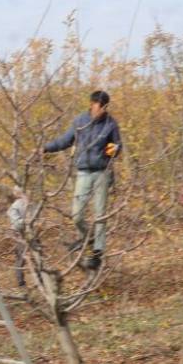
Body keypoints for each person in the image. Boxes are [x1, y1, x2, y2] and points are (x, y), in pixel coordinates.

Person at [42, 90, 123, 271]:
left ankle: (97, 253)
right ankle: (89, 238)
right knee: (77, 215)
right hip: (84, 172)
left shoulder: (111, 124)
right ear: (91, 104)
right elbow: (65, 140)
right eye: (98, 105)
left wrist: (114, 149)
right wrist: (46, 148)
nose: (101, 109)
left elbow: (118, 146)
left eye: (104, 107)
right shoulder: (80, 121)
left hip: (102, 172)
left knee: (100, 214)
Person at [7, 187, 31, 288]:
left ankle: (42, 279)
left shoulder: (30, 204)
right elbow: (17, 224)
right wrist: (26, 221)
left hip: (32, 234)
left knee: (38, 256)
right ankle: (21, 283)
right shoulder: (14, 207)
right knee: (21, 258)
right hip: (20, 235)